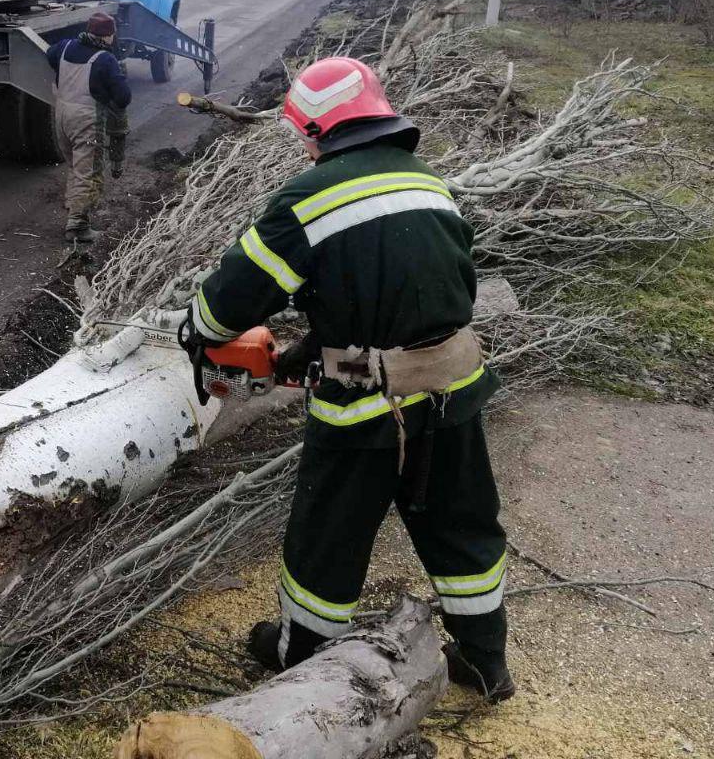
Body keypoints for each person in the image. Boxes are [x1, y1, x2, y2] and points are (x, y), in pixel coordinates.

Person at [183, 57, 513, 701]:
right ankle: (484, 661)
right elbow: (420, 287)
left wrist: (194, 329)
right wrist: (316, 345)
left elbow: (227, 305)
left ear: (315, 128)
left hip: (366, 404)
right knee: (462, 524)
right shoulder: (428, 181)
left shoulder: (308, 199)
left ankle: (302, 656)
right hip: (452, 388)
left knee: (328, 535)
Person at [46, 11, 131, 243]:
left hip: (61, 115)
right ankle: (78, 225)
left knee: (75, 164)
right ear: (109, 36)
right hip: (85, 119)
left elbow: (49, 55)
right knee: (88, 170)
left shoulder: (64, 46)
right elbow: (123, 97)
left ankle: (73, 203)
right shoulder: (105, 59)